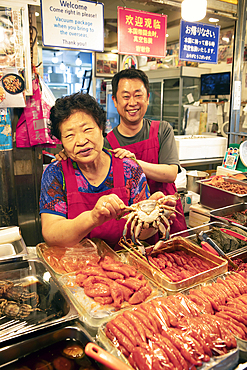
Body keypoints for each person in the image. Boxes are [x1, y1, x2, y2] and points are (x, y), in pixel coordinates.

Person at [56, 69, 187, 235]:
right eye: (125, 96)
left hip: (166, 213)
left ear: (147, 98)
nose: (132, 102)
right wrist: (66, 154)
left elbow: (171, 174)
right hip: (131, 223)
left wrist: (135, 163)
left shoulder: (162, 130)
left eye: (138, 95)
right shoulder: (104, 142)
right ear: (115, 101)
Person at [40, 92, 176, 250]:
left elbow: (142, 234)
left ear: (101, 128)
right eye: (69, 135)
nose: (81, 141)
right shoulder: (55, 173)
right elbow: (51, 234)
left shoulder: (129, 169)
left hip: (125, 265)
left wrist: (155, 217)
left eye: (87, 129)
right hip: (76, 267)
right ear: (61, 141)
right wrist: (92, 218)